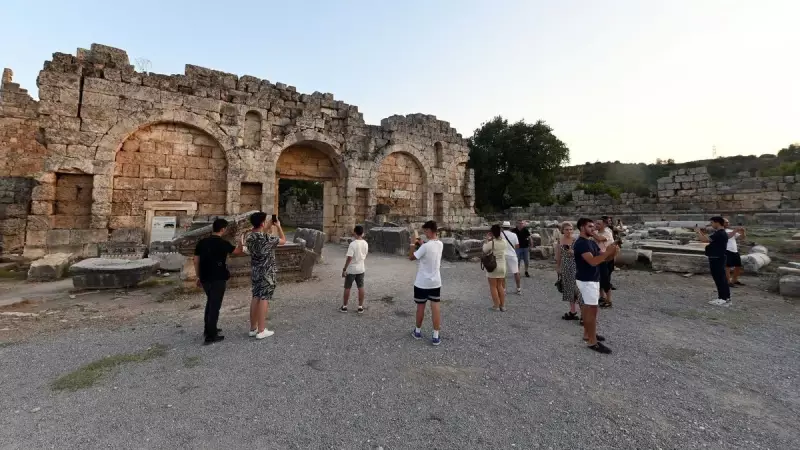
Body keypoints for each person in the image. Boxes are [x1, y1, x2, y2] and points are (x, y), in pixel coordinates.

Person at [193, 218, 244, 345]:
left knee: (210, 302)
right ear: (222, 229)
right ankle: (211, 335)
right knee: (215, 305)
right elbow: (238, 251)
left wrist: (198, 276)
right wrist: (241, 242)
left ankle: (209, 328)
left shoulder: (202, 242)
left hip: (205, 276)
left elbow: (196, 260)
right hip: (218, 277)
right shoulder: (223, 243)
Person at [574, 217, 619, 354]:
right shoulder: (581, 244)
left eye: (593, 227)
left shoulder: (591, 242)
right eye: (590, 226)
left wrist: (613, 252)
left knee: (589, 310)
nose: (593, 229)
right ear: (582, 227)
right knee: (591, 311)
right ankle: (592, 342)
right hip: (587, 281)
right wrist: (608, 253)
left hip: (592, 280)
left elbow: (602, 257)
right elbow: (593, 262)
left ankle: (588, 334)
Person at [244, 212, 286, 339]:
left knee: (255, 296)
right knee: (264, 298)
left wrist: (266, 227)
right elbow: (283, 241)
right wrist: (278, 226)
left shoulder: (249, 237)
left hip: (256, 270)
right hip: (267, 271)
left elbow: (259, 236)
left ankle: (253, 328)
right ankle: (262, 330)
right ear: (262, 223)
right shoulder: (267, 238)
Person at [408, 220, 444, 346]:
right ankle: (436, 335)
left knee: (420, 307)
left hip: (422, 282)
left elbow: (411, 257)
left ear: (429, 230)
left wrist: (413, 243)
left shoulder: (425, 247)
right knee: (436, 308)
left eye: (425, 231)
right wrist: (422, 244)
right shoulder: (440, 244)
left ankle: (417, 331)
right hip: (435, 282)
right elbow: (429, 249)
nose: (424, 233)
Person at [696, 217, 730, 306]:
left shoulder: (719, 233)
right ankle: (726, 297)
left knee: (719, 279)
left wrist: (698, 231)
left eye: (712, 223)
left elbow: (704, 240)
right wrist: (702, 232)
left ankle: (722, 298)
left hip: (717, 258)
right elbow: (707, 238)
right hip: (718, 257)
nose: (711, 224)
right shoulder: (721, 233)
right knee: (722, 278)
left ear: (717, 223)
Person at [554, 221, 581, 321]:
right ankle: (573, 311)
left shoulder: (576, 240)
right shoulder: (560, 241)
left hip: (576, 266)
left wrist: (573, 252)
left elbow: (582, 254)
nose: (569, 231)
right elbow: (558, 255)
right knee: (569, 289)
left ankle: (583, 313)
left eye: (570, 229)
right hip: (565, 266)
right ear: (563, 230)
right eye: (566, 229)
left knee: (578, 290)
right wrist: (558, 267)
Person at [340, 225, 369, 313]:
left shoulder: (352, 244)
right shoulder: (365, 243)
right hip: (361, 268)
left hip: (352, 269)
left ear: (355, 233)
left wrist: (344, 269)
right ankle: (360, 307)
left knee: (347, 287)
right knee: (361, 287)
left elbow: (349, 258)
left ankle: (344, 306)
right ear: (362, 233)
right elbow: (365, 255)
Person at [483, 224, 509, 311]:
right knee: (500, 286)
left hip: (493, 266)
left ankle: (496, 305)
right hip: (502, 266)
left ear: (492, 233)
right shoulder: (504, 242)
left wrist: (487, 240)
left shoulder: (492, 243)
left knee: (493, 286)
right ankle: (503, 305)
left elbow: (484, 250)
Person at [593, 217, 615, 308]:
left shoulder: (607, 232)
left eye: (598, 224)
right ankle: (602, 297)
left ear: (604, 225)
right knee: (598, 278)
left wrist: (591, 232)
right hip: (597, 258)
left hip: (606, 259)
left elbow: (599, 239)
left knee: (605, 279)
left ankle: (609, 300)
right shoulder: (596, 232)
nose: (596, 225)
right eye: (596, 223)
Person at [723, 218, 746, 287]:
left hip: (734, 250)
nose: (727, 223)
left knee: (738, 266)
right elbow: (728, 237)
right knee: (727, 266)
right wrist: (735, 230)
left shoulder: (730, 230)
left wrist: (743, 232)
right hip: (726, 250)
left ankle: (734, 280)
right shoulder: (720, 231)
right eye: (726, 222)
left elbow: (742, 238)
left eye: (728, 222)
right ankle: (728, 282)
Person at [500, 221, 521, 295]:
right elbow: (517, 246)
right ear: (509, 227)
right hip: (512, 255)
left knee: (503, 274)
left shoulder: (500, 234)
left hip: (502, 255)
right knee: (516, 272)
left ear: (503, 227)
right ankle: (518, 289)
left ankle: (504, 290)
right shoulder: (514, 235)